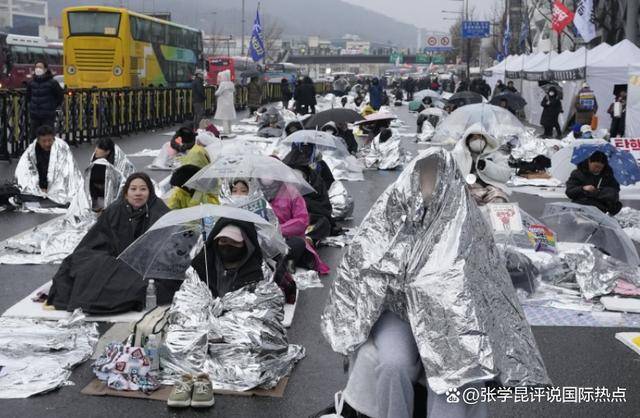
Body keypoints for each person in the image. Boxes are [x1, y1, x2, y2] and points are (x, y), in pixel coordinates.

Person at [320, 148, 550, 418]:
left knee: (456, 374)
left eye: (435, 179)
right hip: (399, 313)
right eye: (424, 178)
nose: (429, 186)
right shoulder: (391, 215)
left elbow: (484, 277)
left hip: (452, 319)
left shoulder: (466, 222)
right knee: (394, 366)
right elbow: (363, 266)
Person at [47, 173, 180, 314]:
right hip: (115, 258)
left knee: (136, 281)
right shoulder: (116, 209)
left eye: (143, 189)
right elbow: (97, 239)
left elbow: (169, 248)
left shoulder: (159, 212)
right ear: (126, 192)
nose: (138, 193)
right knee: (83, 264)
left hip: (144, 265)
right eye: (133, 189)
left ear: (150, 192)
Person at [260, 179, 329, 275]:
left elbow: (302, 220)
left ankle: (287, 260)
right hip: (262, 238)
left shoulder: (290, 191)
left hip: (285, 238)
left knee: (298, 243)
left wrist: (278, 230)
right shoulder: (254, 192)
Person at [191, 219, 264, 298]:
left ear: (247, 245)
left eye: (235, 241)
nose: (228, 246)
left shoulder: (259, 273)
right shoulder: (201, 266)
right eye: (223, 241)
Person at [14, 125, 84, 206]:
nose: (47, 144)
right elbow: (27, 170)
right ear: (38, 140)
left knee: (67, 197)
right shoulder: (32, 150)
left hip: (57, 182)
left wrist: (52, 187)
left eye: (49, 140)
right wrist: (40, 186)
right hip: (40, 183)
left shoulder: (62, 147)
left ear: (53, 138)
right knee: (25, 192)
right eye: (44, 141)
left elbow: (67, 170)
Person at [452, 124, 512, 205]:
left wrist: (486, 166)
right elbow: (453, 175)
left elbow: (505, 175)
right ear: (467, 141)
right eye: (474, 138)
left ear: (486, 139)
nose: (478, 140)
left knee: (498, 201)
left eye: (480, 137)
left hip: (491, 189)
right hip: (469, 190)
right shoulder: (460, 155)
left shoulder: (495, 154)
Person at [565, 151, 622, 215]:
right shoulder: (578, 174)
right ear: (589, 162)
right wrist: (583, 189)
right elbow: (569, 192)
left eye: (600, 167)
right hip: (580, 208)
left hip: (600, 209)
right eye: (595, 166)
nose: (597, 169)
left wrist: (596, 192)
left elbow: (614, 194)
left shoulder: (608, 176)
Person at [89, 137, 135, 211]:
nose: (95, 150)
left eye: (99, 148)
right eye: (96, 147)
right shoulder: (95, 157)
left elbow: (122, 183)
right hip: (100, 190)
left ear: (107, 152)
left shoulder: (119, 162)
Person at [26, 60, 63, 138]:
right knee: (34, 137)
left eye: (40, 67)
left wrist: (52, 106)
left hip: (47, 116)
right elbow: (28, 97)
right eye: (36, 67)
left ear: (45, 69)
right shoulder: (31, 83)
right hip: (34, 115)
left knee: (47, 137)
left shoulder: (52, 83)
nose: (38, 69)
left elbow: (59, 96)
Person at [213, 70, 236, 135]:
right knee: (229, 118)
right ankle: (229, 130)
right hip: (230, 104)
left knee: (224, 118)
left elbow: (218, 93)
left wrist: (215, 91)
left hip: (224, 103)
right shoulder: (231, 83)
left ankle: (226, 131)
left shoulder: (223, 84)